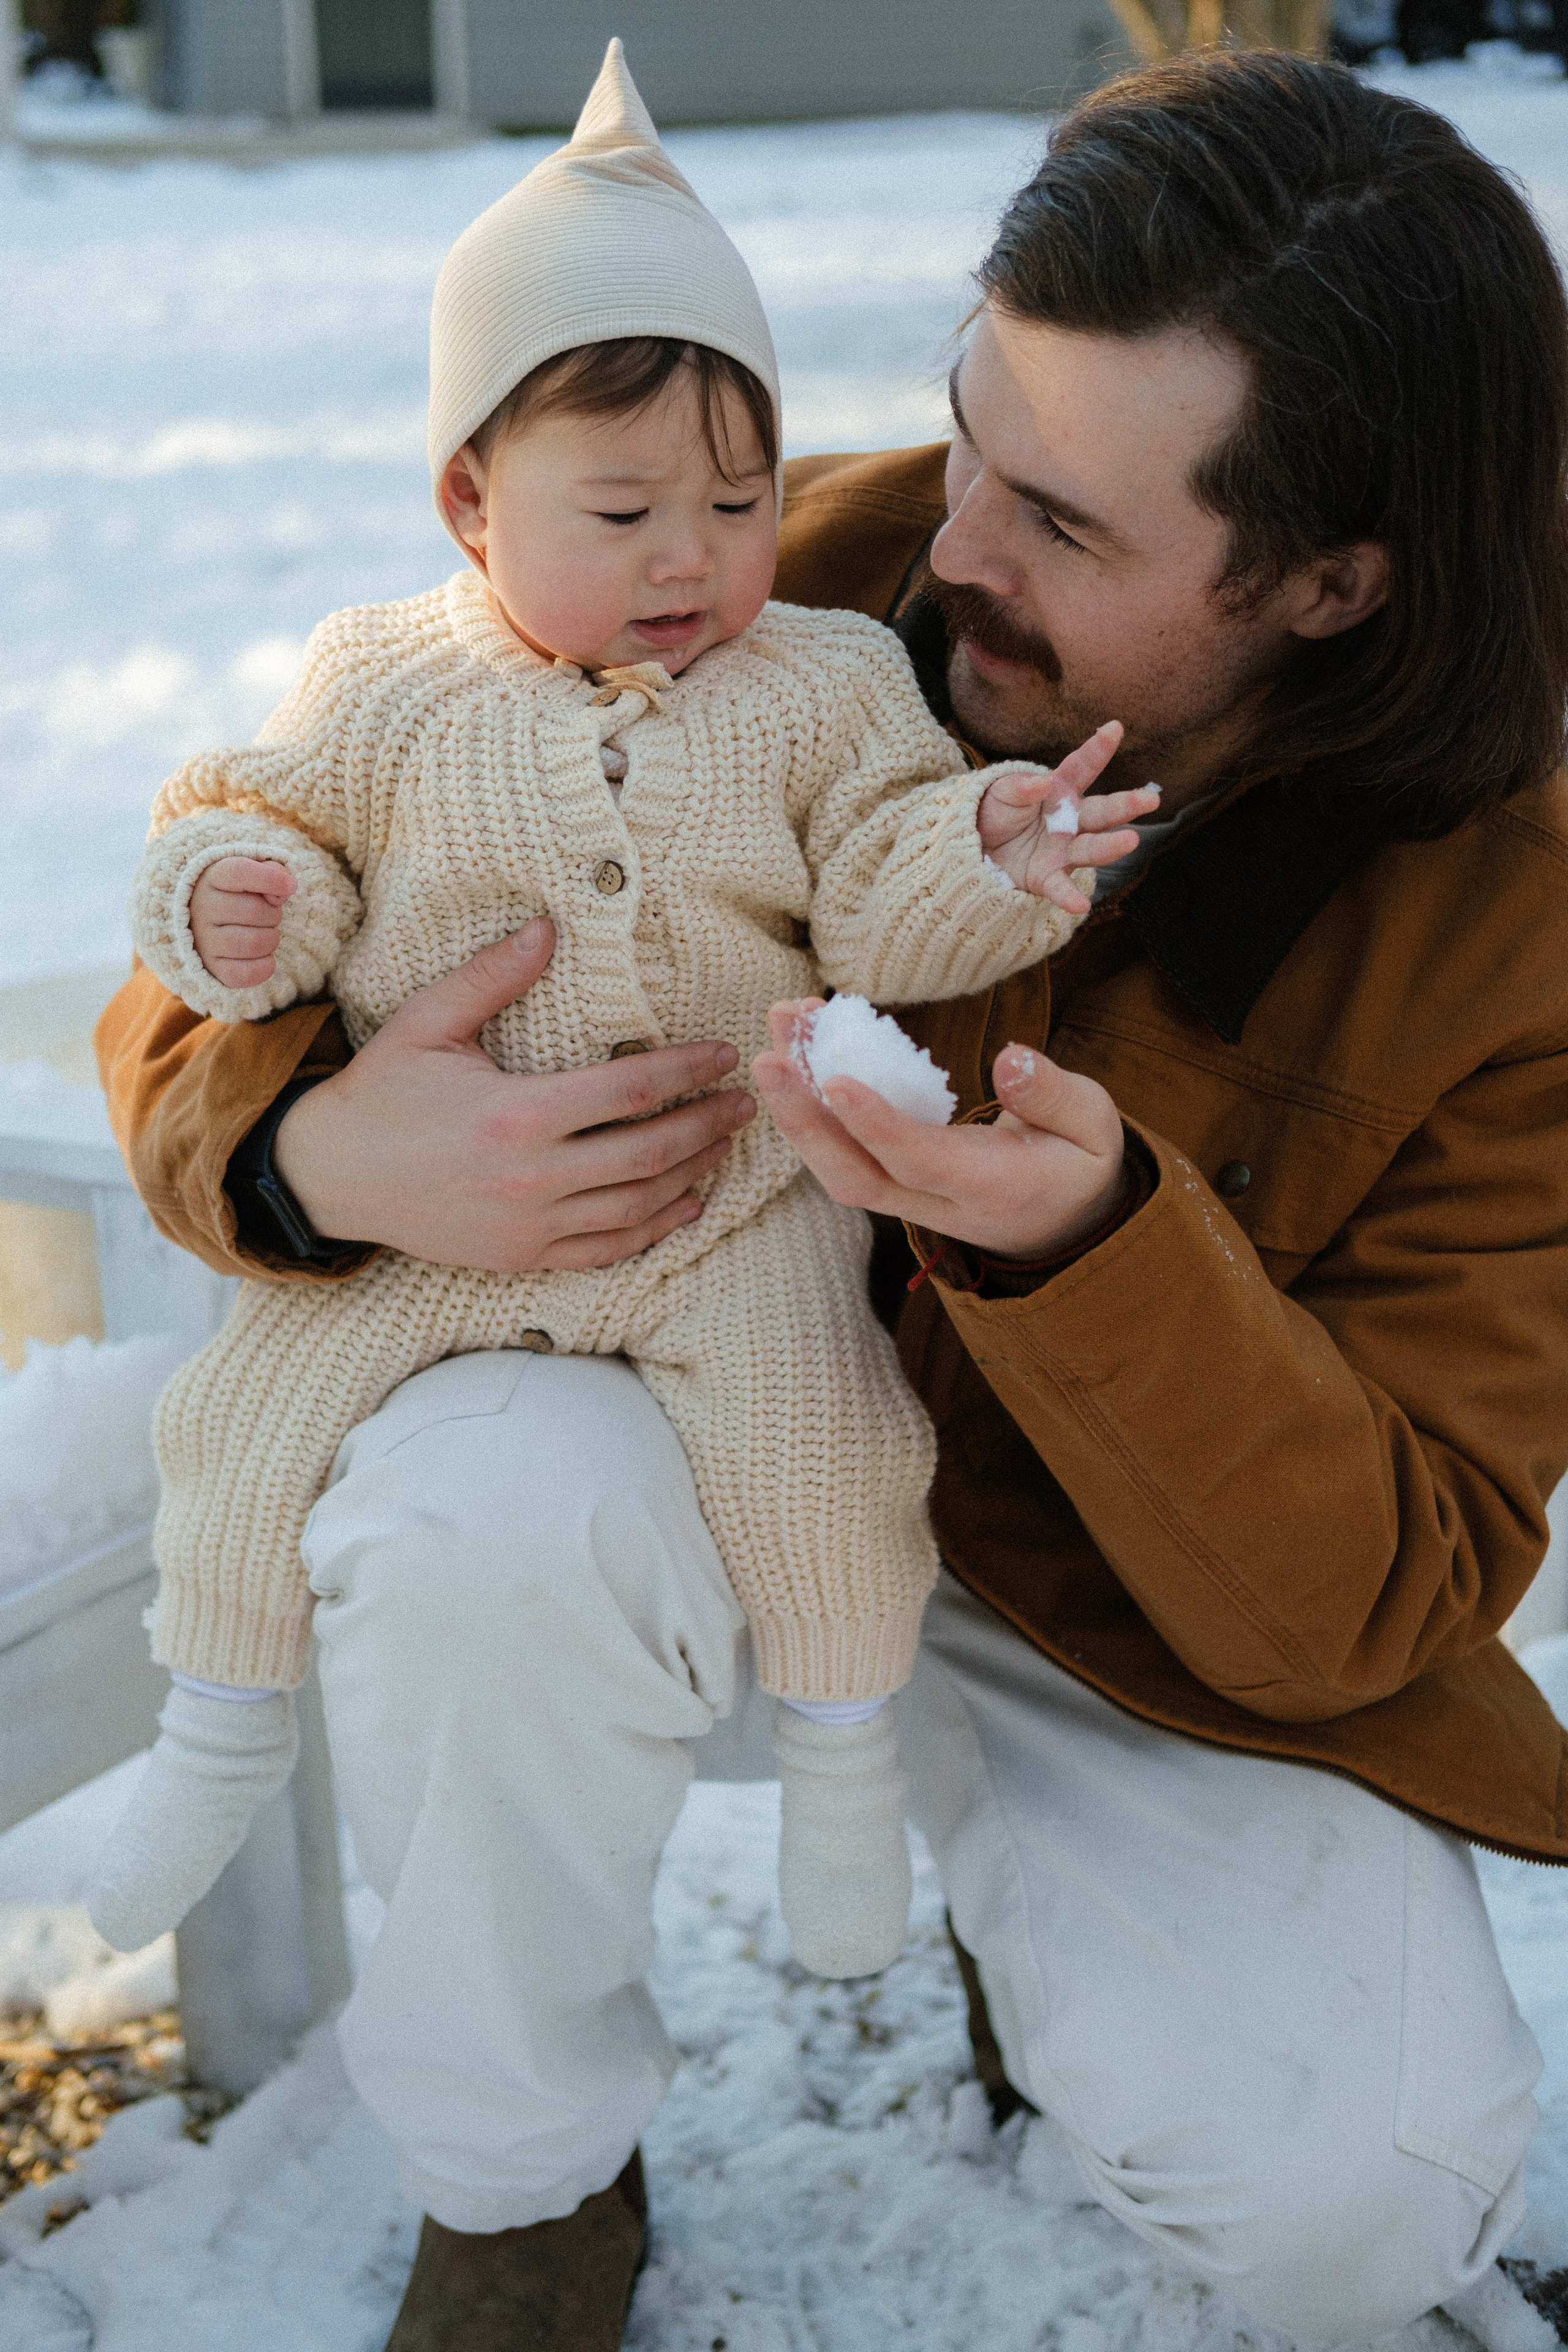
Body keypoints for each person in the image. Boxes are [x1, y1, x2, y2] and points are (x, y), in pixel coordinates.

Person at [94, 46, 1568, 2352]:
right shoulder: (773, 583)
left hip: (1112, 1613)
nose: (954, 539)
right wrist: (307, 1142)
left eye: (1069, 525)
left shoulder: (1515, 925)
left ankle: (1042, 1938)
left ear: (1329, 581)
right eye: (978, 430)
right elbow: (272, 902)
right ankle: (532, 2179)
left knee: (1360, 2210)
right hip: (661, 1461)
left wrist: (1087, 1261)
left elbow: (1396, 1584)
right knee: (478, 1515)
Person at [87, 44, 1150, 1990]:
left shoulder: (825, 682)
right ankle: (211, 1732)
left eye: (739, 502)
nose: (692, 558)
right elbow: (261, 838)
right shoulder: (384, 677)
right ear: (469, 502)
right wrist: (239, 903)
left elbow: (883, 891)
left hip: (722, 1210)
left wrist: (992, 850)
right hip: (424, 1225)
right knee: (235, 1423)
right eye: (627, 509)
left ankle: (845, 1772)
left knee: (831, 1452)